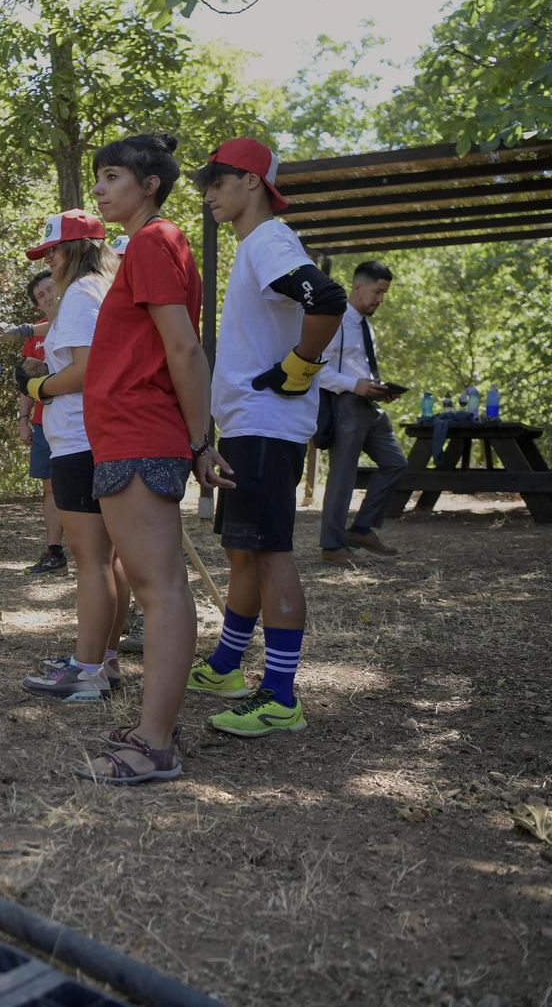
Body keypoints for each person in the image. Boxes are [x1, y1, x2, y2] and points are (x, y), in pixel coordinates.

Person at [79, 133, 228, 783]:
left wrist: (201, 442)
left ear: (149, 185)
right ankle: (151, 728)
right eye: (100, 177)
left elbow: (185, 349)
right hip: (127, 435)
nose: (102, 189)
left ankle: (155, 745)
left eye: (113, 176)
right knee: (156, 587)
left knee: (160, 592)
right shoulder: (144, 246)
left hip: (143, 434)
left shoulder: (153, 241)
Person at [189, 137, 347, 739]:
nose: (209, 193)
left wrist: (298, 367)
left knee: (271, 551)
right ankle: (229, 666)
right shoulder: (257, 246)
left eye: (219, 180)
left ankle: (280, 695)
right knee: (244, 549)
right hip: (249, 423)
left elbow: (326, 298)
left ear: (252, 181)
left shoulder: (271, 241)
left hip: (266, 424)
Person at [13, 213, 125, 702]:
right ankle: (106, 658)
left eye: (53, 252)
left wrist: (38, 384)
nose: (49, 262)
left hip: (80, 438)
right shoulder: (104, 289)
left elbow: (83, 372)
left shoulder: (80, 295)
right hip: (96, 434)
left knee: (92, 561)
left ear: (75, 250)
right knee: (110, 558)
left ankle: (87, 670)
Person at [317, 260, 408, 565]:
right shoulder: (335, 320)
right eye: (377, 291)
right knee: (343, 475)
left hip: (370, 404)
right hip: (345, 404)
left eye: (384, 293)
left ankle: (361, 529)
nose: (380, 299)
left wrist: (382, 389)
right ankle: (332, 546)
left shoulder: (366, 325)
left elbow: (361, 367)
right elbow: (316, 368)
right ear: (358, 286)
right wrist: (352, 385)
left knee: (395, 462)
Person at [18, 270, 67, 576]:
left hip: (79, 419)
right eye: (41, 296)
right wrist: (23, 419)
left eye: (50, 289)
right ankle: (54, 550)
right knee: (50, 487)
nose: (47, 297)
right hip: (42, 422)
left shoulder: (81, 321)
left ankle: (97, 550)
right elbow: (24, 383)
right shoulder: (35, 337)